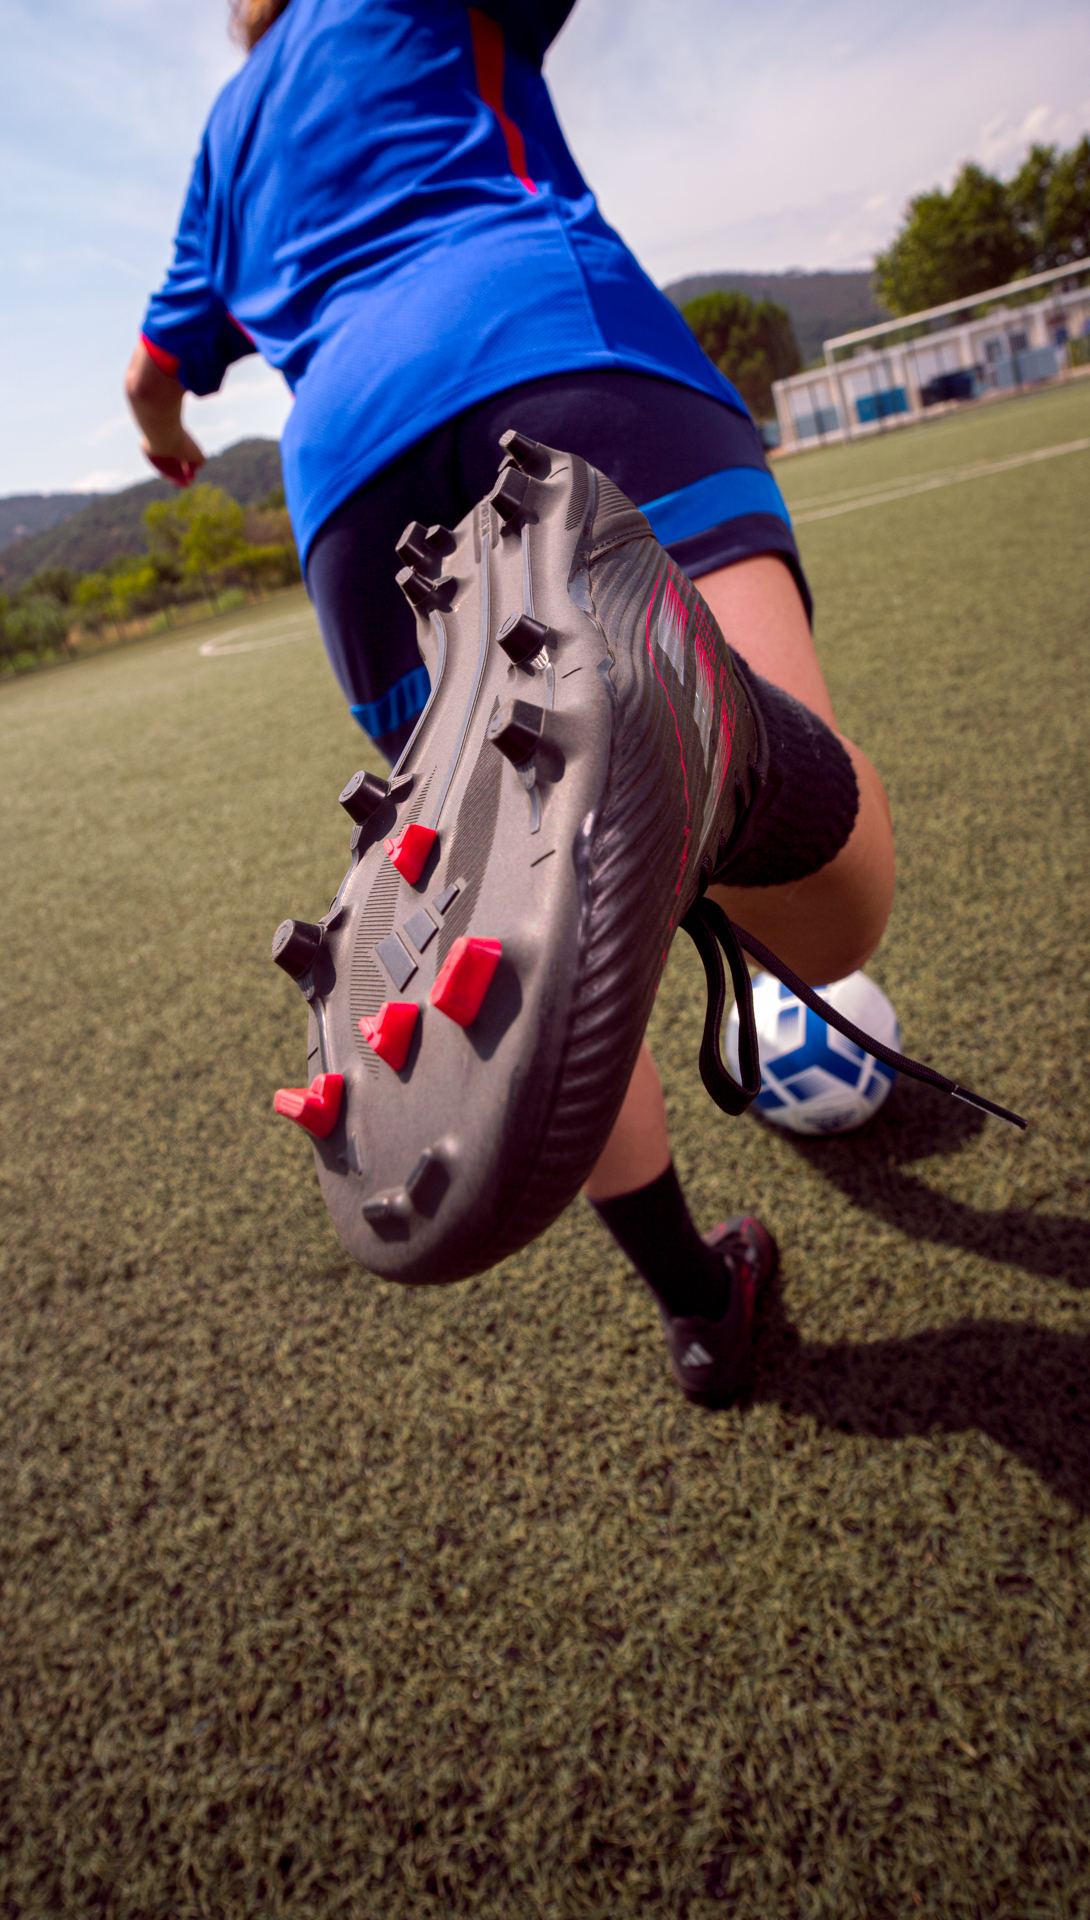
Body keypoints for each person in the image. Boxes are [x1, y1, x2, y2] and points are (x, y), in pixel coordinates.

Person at [126, 0, 895, 1403]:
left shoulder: (225, 132)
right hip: (546, 341)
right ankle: (699, 726)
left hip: (355, 489)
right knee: (837, 908)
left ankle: (701, 1306)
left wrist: (169, 441)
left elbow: (150, 373)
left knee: (522, 940)